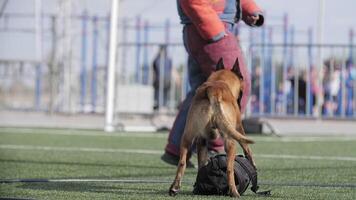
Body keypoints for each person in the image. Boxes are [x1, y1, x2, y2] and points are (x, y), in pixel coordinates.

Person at [161, 0, 264, 167]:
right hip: (211, 27)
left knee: (201, 91)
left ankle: (177, 148)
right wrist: (215, 30)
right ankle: (215, 149)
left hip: (205, 27)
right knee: (237, 85)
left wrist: (250, 10)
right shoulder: (214, 29)